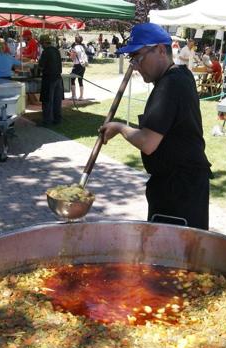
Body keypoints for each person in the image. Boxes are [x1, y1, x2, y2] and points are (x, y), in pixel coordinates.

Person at [100, 23, 212, 230]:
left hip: (179, 190)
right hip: (181, 185)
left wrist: (119, 127)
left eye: (138, 57)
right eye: (132, 59)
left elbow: (148, 142)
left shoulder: (171, 84)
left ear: (161, 50)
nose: (135, 65)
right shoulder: (180, 76)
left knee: (171, 255)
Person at [38, 34, 63, 127]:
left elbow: (41, 66)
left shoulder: (46, 52)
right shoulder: (56, 50)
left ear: (44, 43)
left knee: (47, 100)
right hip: (58, 78)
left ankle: (47, 121)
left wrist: (38, 67)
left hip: (49, 78)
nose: (41, 46)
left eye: (41, 44)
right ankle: (57, 119)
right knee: (57, 101)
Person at [69, 35, 87, 100]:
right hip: (83, 65)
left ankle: (74, 96)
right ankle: (81, 96)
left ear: (75, 40)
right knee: (80, 80)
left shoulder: (75, 48)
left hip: (77, 65)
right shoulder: (82, 47)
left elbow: (72, 57)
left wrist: (69, 54)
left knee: (72, 79)